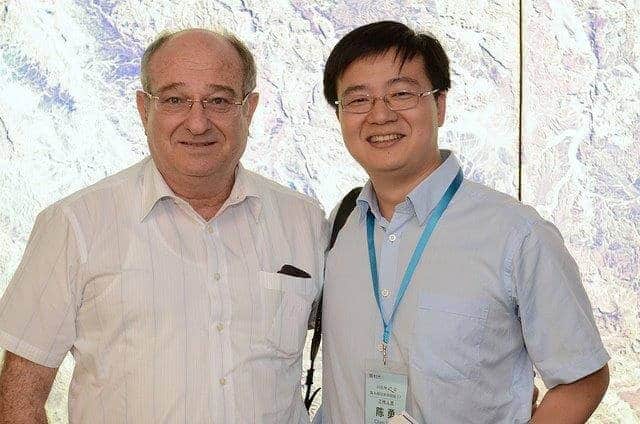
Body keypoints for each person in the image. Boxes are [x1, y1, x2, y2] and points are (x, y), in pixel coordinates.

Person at [0, 28, 326, 423]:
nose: (198, 122)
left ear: (249, 109)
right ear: (144, 109)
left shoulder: (305, 221)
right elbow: (19, 399)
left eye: (219, 100)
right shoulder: (73, 225)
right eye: (175, 100)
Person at [320, 21, 609, 423]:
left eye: (401, 94)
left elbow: (583, 376)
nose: (379, 114)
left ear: (439, 104)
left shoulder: (516, 234)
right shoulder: (340, 225)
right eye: (357, 100)